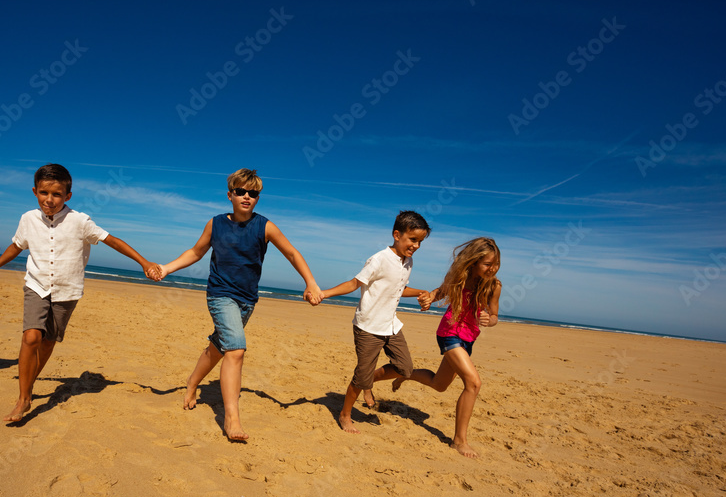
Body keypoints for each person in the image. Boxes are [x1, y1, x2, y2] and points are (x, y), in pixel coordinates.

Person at [0, 164, 159, 422]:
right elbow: (16, 246)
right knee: (31, 337)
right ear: (35, 191)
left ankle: (30, 382)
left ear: (67, 196)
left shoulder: (80, 221)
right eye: (43, 193)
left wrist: (144, 262)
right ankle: (23, 397)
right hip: (36, 285)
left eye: (57, 194)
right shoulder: (28, 219)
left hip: (67, 291)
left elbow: (112, 240)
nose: (49, 199)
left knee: (48, 341)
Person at [148, 168, 322, 441]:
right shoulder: (215, 223)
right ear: (230, 194)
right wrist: (167, 268)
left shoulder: (265, 226)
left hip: (247, 300)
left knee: (219, 347)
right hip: (219, 295)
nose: (246, 197)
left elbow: (291, 252)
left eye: (253, 193)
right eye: (240, 191)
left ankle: (192, 382)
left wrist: (311, 283)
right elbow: (196, 252)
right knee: (237, 350)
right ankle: (232, 419)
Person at [319, 211, 431, 434]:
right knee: (360, 377)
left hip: (391, 325)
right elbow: (354, 283)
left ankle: (367, 382)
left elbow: (398, 289)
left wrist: (421, 292)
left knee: (405, 368)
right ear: (397, 235)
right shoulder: (379, 259)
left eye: (420, 241)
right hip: (368, 327)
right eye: (413, 239)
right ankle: (345, 414)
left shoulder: (408, 261)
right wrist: (323, 294)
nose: (416, 245)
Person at [392, 237, 502, 458]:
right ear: (473, 262)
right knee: (473, 383)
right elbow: (440, 292)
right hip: (449, 334)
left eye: (496, 263)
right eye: (487, 264)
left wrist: (489, 319)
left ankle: (406, 374)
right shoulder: (458, 278)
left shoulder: (494, 286)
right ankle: (459, 441)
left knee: (439, 384)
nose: (493, 268)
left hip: (468, 339)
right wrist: (428, 298)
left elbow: (495, 315)